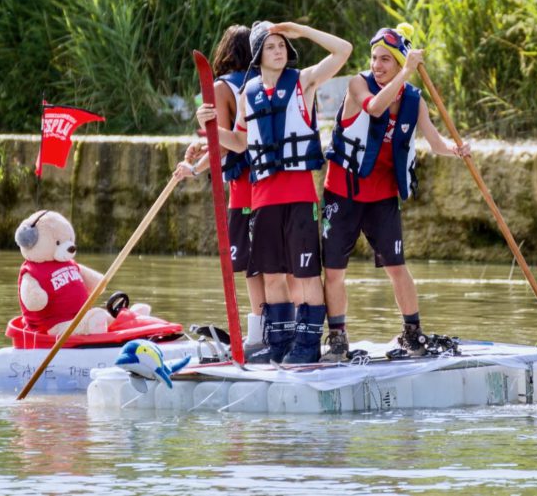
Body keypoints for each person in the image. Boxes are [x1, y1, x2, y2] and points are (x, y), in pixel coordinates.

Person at [197, 20, 352, 364]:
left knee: (306, 274)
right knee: (270, 275)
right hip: (262, 198)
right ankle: (279, 342)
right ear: (258, 54)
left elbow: (344, 51)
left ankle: (307, 345)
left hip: (299, 197)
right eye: (271, 46)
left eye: (282, 45)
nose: (279, 51)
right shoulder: (247, 93)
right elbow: (239, 141)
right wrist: (211, 127)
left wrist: (302, 30)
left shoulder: (303, 82)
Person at [320, 23, 471, 362]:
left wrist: (457, 149)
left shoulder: (413, 100)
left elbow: (434, 142)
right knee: (333, 271)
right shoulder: (359, 84)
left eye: (386, 59)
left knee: (397, 267)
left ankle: (412, 332)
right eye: (374, 58)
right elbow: (373, 107)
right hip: (342, 192)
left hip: (382, 198)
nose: (377, 65)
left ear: (399, 60)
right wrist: (404, 71)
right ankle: (338, 337)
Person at [174, 24, 293, 353]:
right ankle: (285, 328)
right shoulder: (267, 83)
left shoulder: (223, 87)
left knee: (253, 266)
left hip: (244, 187)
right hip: (277, 184)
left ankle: (259, 331)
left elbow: (226, 144)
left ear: (225, 50)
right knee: (280, 265)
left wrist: (193, 169)